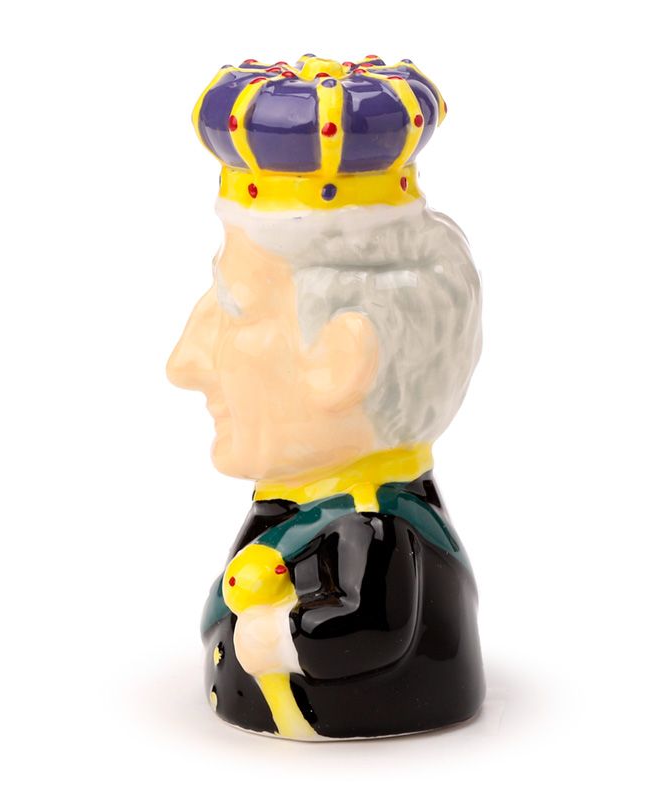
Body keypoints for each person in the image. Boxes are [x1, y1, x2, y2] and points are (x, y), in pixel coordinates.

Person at [167, 54, 485, 739]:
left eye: (234, 309)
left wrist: (278, 638)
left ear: (340, 362)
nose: (183, 364)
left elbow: (370, 630)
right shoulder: (292, 507)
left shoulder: (379, 527)